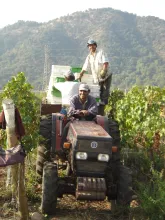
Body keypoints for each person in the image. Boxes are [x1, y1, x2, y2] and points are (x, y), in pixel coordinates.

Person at [61, 83, 98, 149]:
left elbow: (94, 110)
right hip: (75, 119)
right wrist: (80, 112)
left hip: (88, 120)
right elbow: (71, 110)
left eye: (85, 91)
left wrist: (87, 112)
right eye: (81, 91)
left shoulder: (92, 100)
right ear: (78, 91)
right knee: (66, 127)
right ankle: (63, 148)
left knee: (98, 128)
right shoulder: (74, 99)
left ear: (88, 92)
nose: (82, 93)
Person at [79, 39, 112, 112]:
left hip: (105, 75)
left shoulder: (101, 53)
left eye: (92, 45)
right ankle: (96, 107)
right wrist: (81, 74)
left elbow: (105, 62)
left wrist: (104, 70)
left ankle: (102, 108)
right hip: (97, 77)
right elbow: (85, 66)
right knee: (98, 92)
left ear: (95, 46)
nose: (90, 47)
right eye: (89, 46)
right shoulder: (89, 56)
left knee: (105, 91)